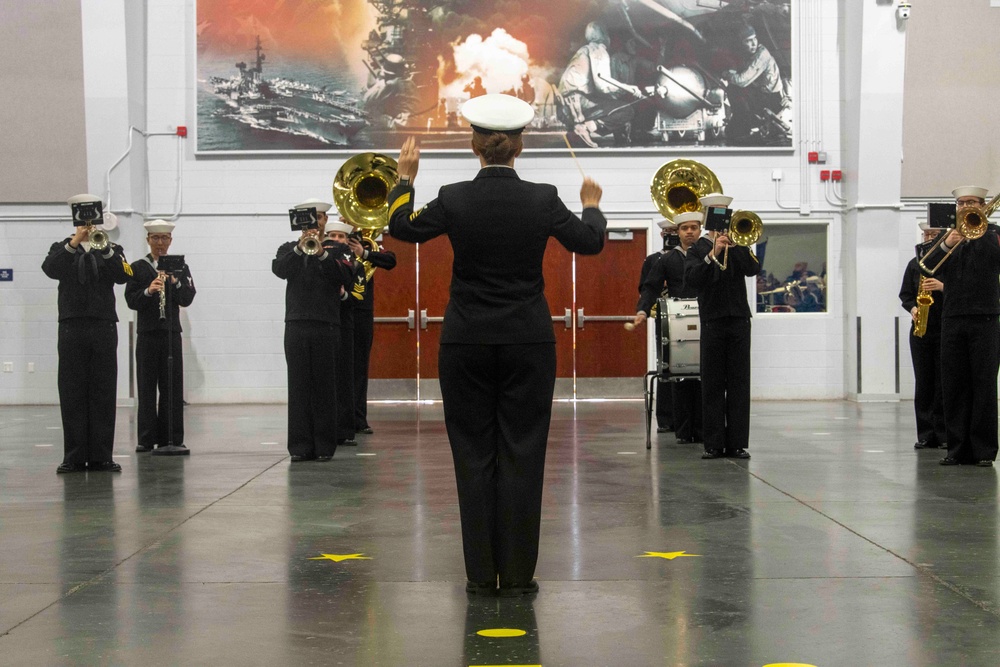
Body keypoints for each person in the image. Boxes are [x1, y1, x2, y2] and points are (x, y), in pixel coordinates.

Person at [387, 94, 607, 596]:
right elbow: (590, 243)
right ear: (519, 147)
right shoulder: (544, 198)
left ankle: (481, 575)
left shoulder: (453, 196)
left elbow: (402, 229)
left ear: (474, 146)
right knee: (524, 453)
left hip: (465, 341)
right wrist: (592, 207)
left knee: (472, 453)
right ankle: (519, 573)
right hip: (528, 341)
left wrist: (405, 178)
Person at [41, 194, 132, 473]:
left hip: (103, 325)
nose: (87, 222)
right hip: (72, 326)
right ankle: (74, 456)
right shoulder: (61, 248)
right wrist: (75, 241)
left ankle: (102, 456)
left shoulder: (113, 248)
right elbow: (50, 269)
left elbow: (124, 275)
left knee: (104, 391)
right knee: (72, 391)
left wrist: (103, 248)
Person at [272, 199, 358, 462]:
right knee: (298, 386)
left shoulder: (338, 251)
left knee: (325, 387)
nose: (316, 223)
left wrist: (321, 253)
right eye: (311, 219)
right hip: (296, 324)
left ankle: (323, 446)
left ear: (324, 221)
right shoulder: (288, 249)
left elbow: (346, 278)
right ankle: (299, 446)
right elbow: (279, 269)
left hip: (326, 324)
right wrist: (300, 249)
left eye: (320, 218)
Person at [923, 186, 1000, 467]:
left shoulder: (994, 234)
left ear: (982, 205)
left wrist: (982, 234)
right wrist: (947, 244)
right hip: (953, 318)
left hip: (986, 318)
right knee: (954, 385)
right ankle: (956, 448)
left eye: (971, 202)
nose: (965, 206)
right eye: (960, 202)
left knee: (983, 385)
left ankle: (983, 451)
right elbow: (925, 266)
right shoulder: (948, 236)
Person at [683, 195, 759, 460]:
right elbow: (692, 280)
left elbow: (753, 269)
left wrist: (735, 245)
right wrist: (713, 251)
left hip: (738, 320)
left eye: (726, 213)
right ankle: (713, 443)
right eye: (717, 214)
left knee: (739, 382)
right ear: (707, 218)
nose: (722, 219)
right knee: (713, 383)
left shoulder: (738, 243)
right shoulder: (696, 249)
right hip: (713, 321)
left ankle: (737, 443)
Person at [125, 219, 196, 455]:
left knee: (172, 388)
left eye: (164, 238)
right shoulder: (137, 267)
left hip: (170, 334)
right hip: (147, 333)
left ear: (170, 241)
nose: (160, 243)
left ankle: (172, 438)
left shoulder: (180, 267)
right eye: (155, 238)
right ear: (148, 241)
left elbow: (187, 297)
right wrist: (148, 290)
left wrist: (174, 283)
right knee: (146, 388)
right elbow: (131, 300)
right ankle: (146, 439)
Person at [633, 211, 704, 444]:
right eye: (685, 228)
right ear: (678, 232)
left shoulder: (709, 254)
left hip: (706, 320)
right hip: (678, 324)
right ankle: (683, 431)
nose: (690, 232)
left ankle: (705, 431)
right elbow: (650, 287)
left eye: (694, 227)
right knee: (680, 376)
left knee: (705, 378)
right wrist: (643, 310)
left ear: (700, 229)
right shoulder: (666, 259)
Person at [557, 21, 643, 148]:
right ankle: (585, 128)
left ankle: (576, 128)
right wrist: (628, 88)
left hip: (564, 108)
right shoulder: (598, 49)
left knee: (608, 104)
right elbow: (602, 83)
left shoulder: (583, 50)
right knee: (626, 110)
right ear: (604, 35)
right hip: (579, 104)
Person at [899, 222, 946, 451]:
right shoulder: (914, 264)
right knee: (924, 382)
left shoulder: (949, 262)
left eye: (933, 233)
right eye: (926, 233)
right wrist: (913, 308)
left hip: (945, 327)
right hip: (921, 328)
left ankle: (944, 433)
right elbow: (905, 295)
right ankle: (926, 434)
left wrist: (941, 286)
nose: (928, 236)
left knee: (943, 383)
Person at [344, 229, 397, 435]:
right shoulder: (333, 245)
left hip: (361, 312)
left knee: (359, 366)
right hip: (337, 310)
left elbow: (391, 260)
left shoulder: (369, 246)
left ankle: (359, 419)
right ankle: (340, 420)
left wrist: (363, 253)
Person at [324, 217, 367, 447]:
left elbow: (359, 296)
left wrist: (342, 294)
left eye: (340, 237)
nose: (336, 240)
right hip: (324, 323)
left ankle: (344, 429)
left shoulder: (356, 266)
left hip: (344, 325)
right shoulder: (318, 260)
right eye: (332, 236)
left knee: (344, 378)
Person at [720, 23, 789, 140]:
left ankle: (744, 123)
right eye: (748, 41)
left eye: (754, 39)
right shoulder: (749, 54)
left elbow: (742, 80)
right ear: (741, 43)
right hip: (762, 95)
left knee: (734, 89)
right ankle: (742, 122)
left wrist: (726, 75)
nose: (753, 43)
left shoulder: (761, 55)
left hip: (772, 100)